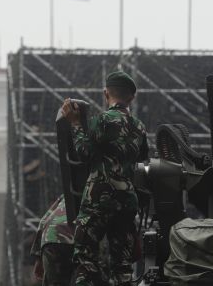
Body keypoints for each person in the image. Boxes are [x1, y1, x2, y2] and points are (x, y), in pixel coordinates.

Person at [61, 71, 148, 286]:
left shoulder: (101, 121)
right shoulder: (139, 127)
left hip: (99, 198)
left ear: (105, 93)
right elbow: (142, 160)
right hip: (127, 201)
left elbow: (84, 153)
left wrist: (75, 124)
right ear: (132, 98)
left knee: (85, 258)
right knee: (122, 264)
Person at [30, 195, 75, 286]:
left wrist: (38, 258)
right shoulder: (102, 187)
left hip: (50, 239)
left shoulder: (67, 193)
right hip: (74, 237)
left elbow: (43, 221)